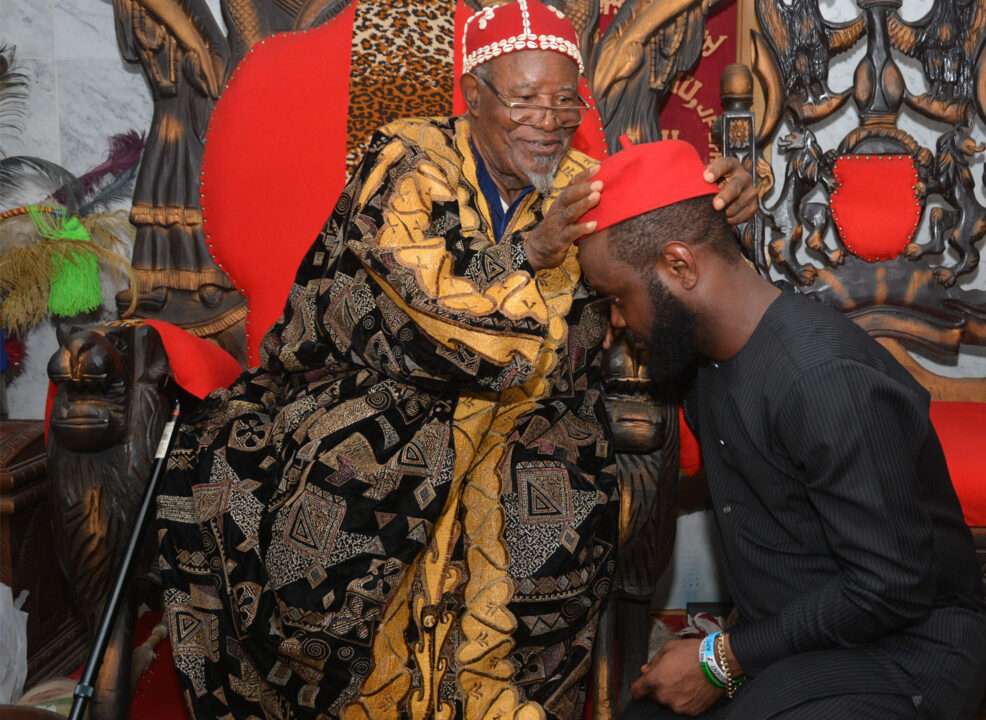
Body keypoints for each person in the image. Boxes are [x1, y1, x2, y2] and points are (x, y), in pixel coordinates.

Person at [153, 2, 757, 718]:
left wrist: (717, 210)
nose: (549, 118)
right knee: (341, 509)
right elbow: (414, 308)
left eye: (566, 99)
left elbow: (668, 263)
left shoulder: (589, 180)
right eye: (525, 97)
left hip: (536, 413)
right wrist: (532, 254)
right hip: (379, 394)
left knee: (556, 517)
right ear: (475, 95)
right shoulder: (406, 157)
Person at [574, 138, 986, 720]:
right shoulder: (700, 347)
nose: (616, 322)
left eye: (616, 299)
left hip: (903, 654)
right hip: (792, 639)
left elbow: (892, 586)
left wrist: (721, 657)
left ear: (680, 265)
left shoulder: (822, 381)